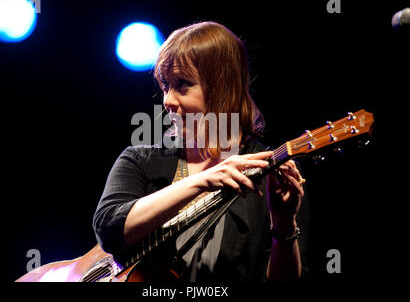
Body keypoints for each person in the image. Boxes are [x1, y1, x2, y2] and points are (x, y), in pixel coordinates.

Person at [93, 21, 310, 282]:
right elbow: (109, 229)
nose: (168, 100)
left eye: (183, 84)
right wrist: (201, 180)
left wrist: (284, 225)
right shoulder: (140, 160)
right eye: (165, 85)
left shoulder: (272, 178)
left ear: (222, 87)